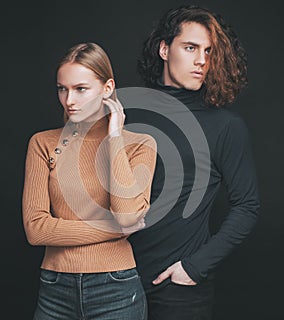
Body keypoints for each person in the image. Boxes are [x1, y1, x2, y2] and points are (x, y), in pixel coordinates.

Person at [128, 4, 260, 320]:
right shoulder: (127, 114)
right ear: (164, 48)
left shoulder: (225, 126)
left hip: (179, 291)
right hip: (116, 282)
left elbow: (247, 206)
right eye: (190, 48)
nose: (202, 60)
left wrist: (194, 267)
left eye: (208, 51)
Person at [22, 42, 157, 320]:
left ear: (107, 88)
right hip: (54, 287)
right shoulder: (43, 143)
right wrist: (117, 230)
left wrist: (115, 137)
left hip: (116, 288)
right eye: (63, 88)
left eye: (80, 89)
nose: (69, 100)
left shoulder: (140, 144)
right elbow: (36, 229)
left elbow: (126, 212)